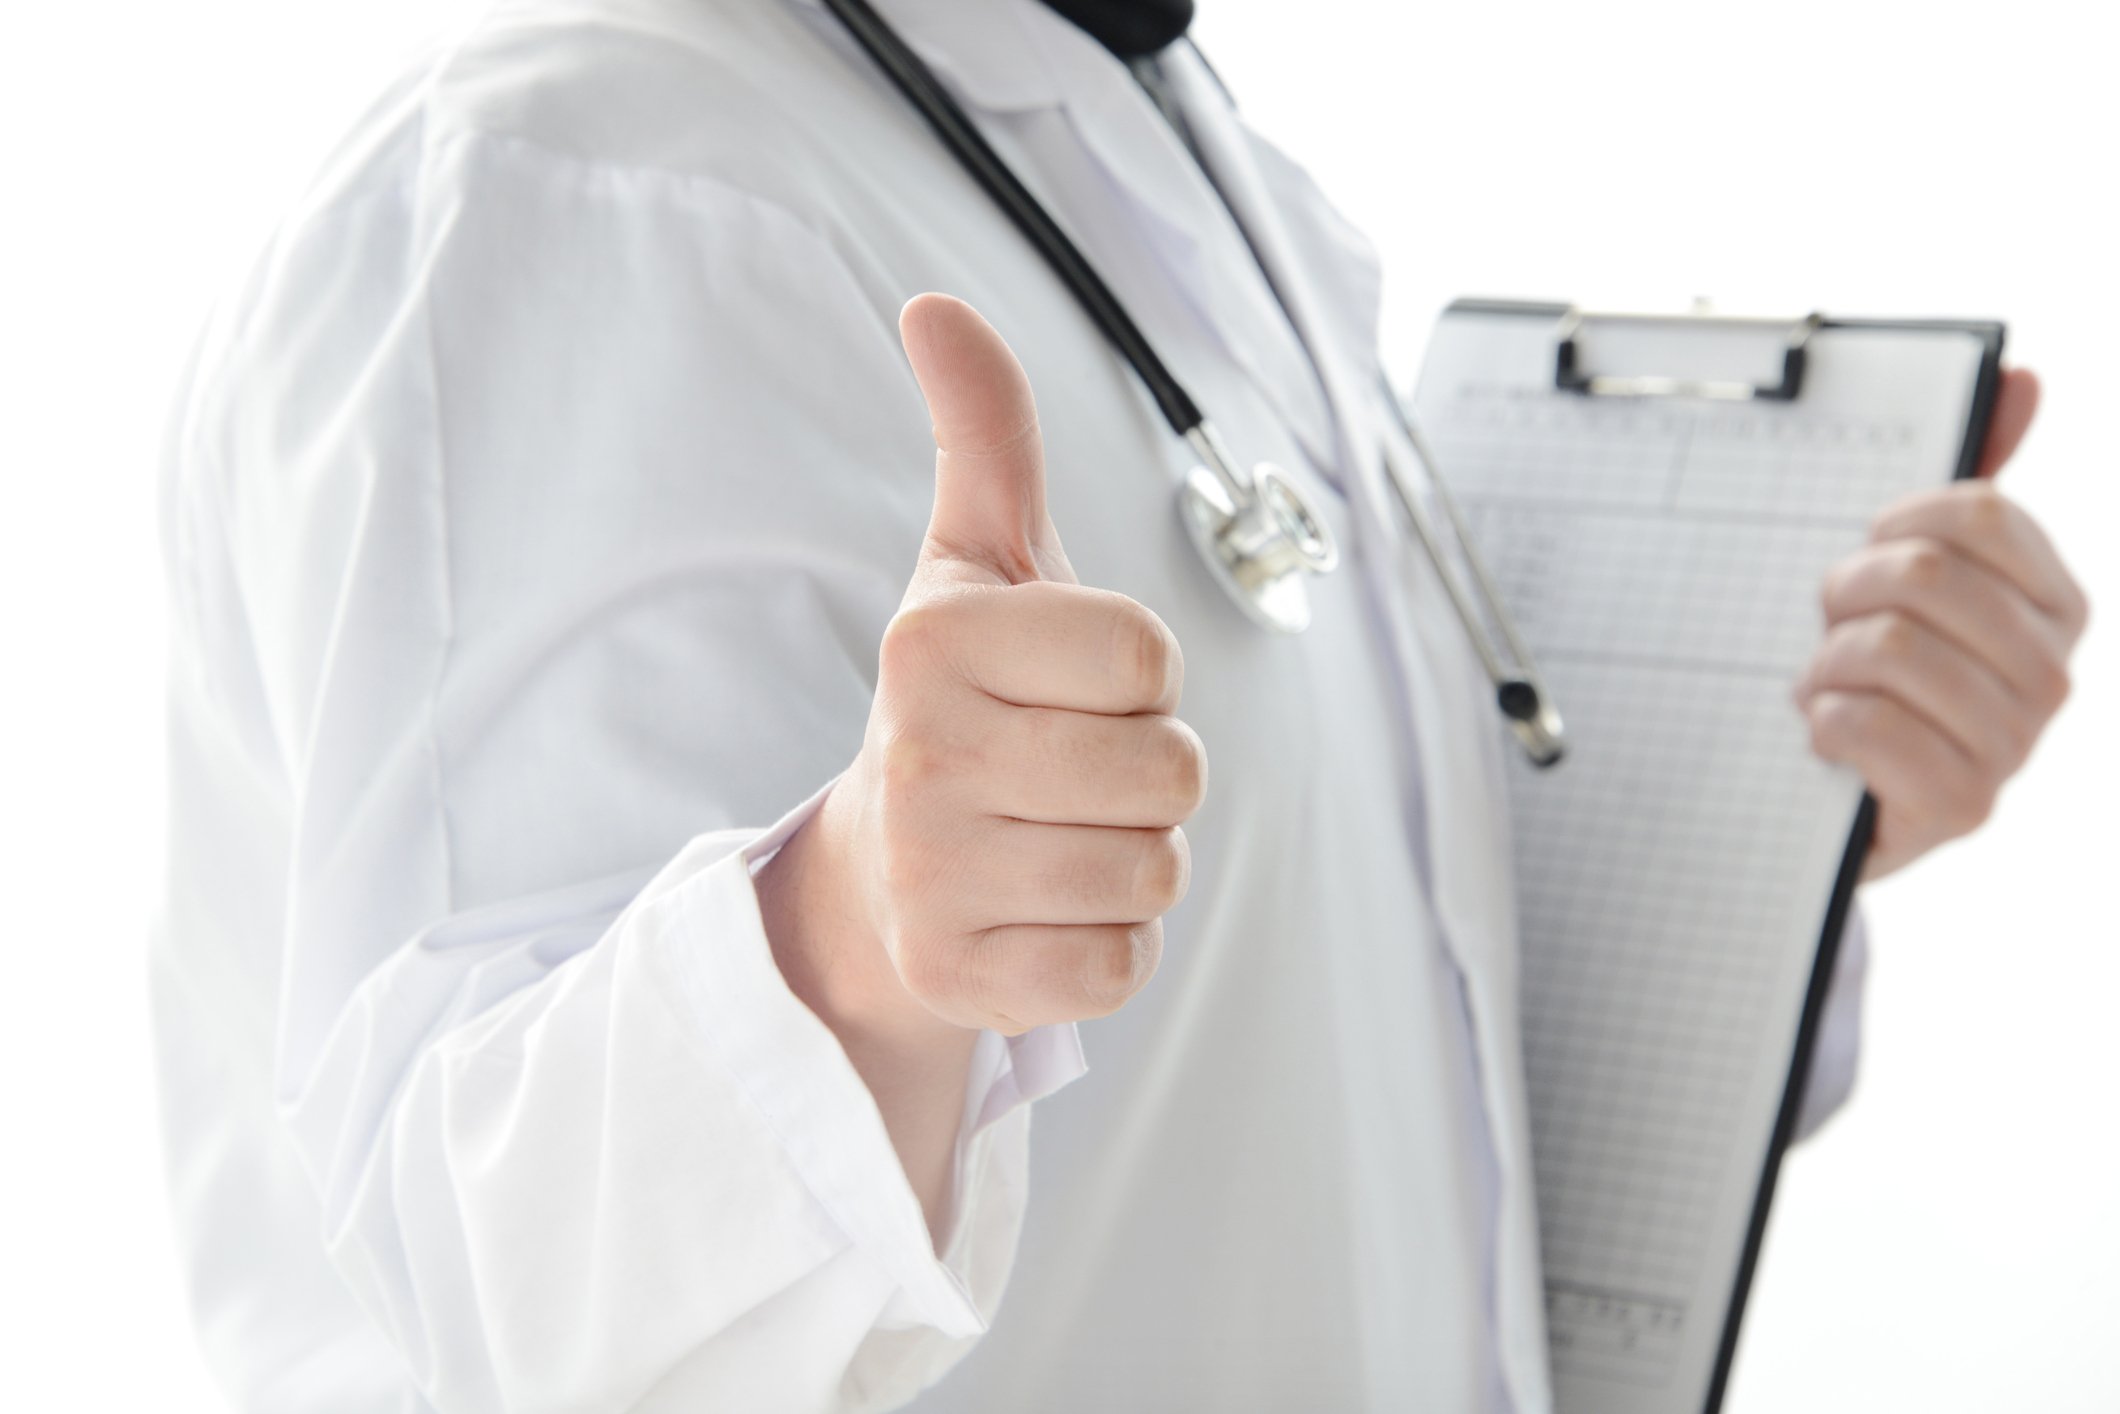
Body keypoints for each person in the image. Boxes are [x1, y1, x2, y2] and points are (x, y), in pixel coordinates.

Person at [149, 0, 2088, 1409]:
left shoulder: (1177, 152)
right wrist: (845, 945)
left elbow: (1356, 1059)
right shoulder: (572, 181)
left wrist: (1792, 805)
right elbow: (487, 1305)